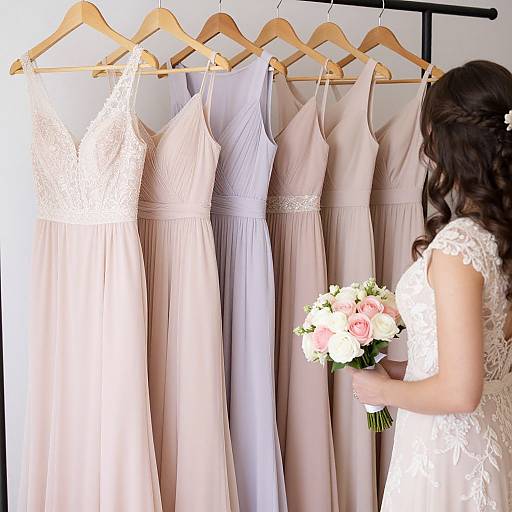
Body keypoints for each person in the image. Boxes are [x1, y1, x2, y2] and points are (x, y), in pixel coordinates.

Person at [348, 60, 512, 511]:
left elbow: (461, 392)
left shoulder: (461, 245)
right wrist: (402, 372)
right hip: (481, 443)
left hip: (449, 455)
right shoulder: (498, 237)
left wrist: (380, 392)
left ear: (447, 141)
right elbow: (486, 361)